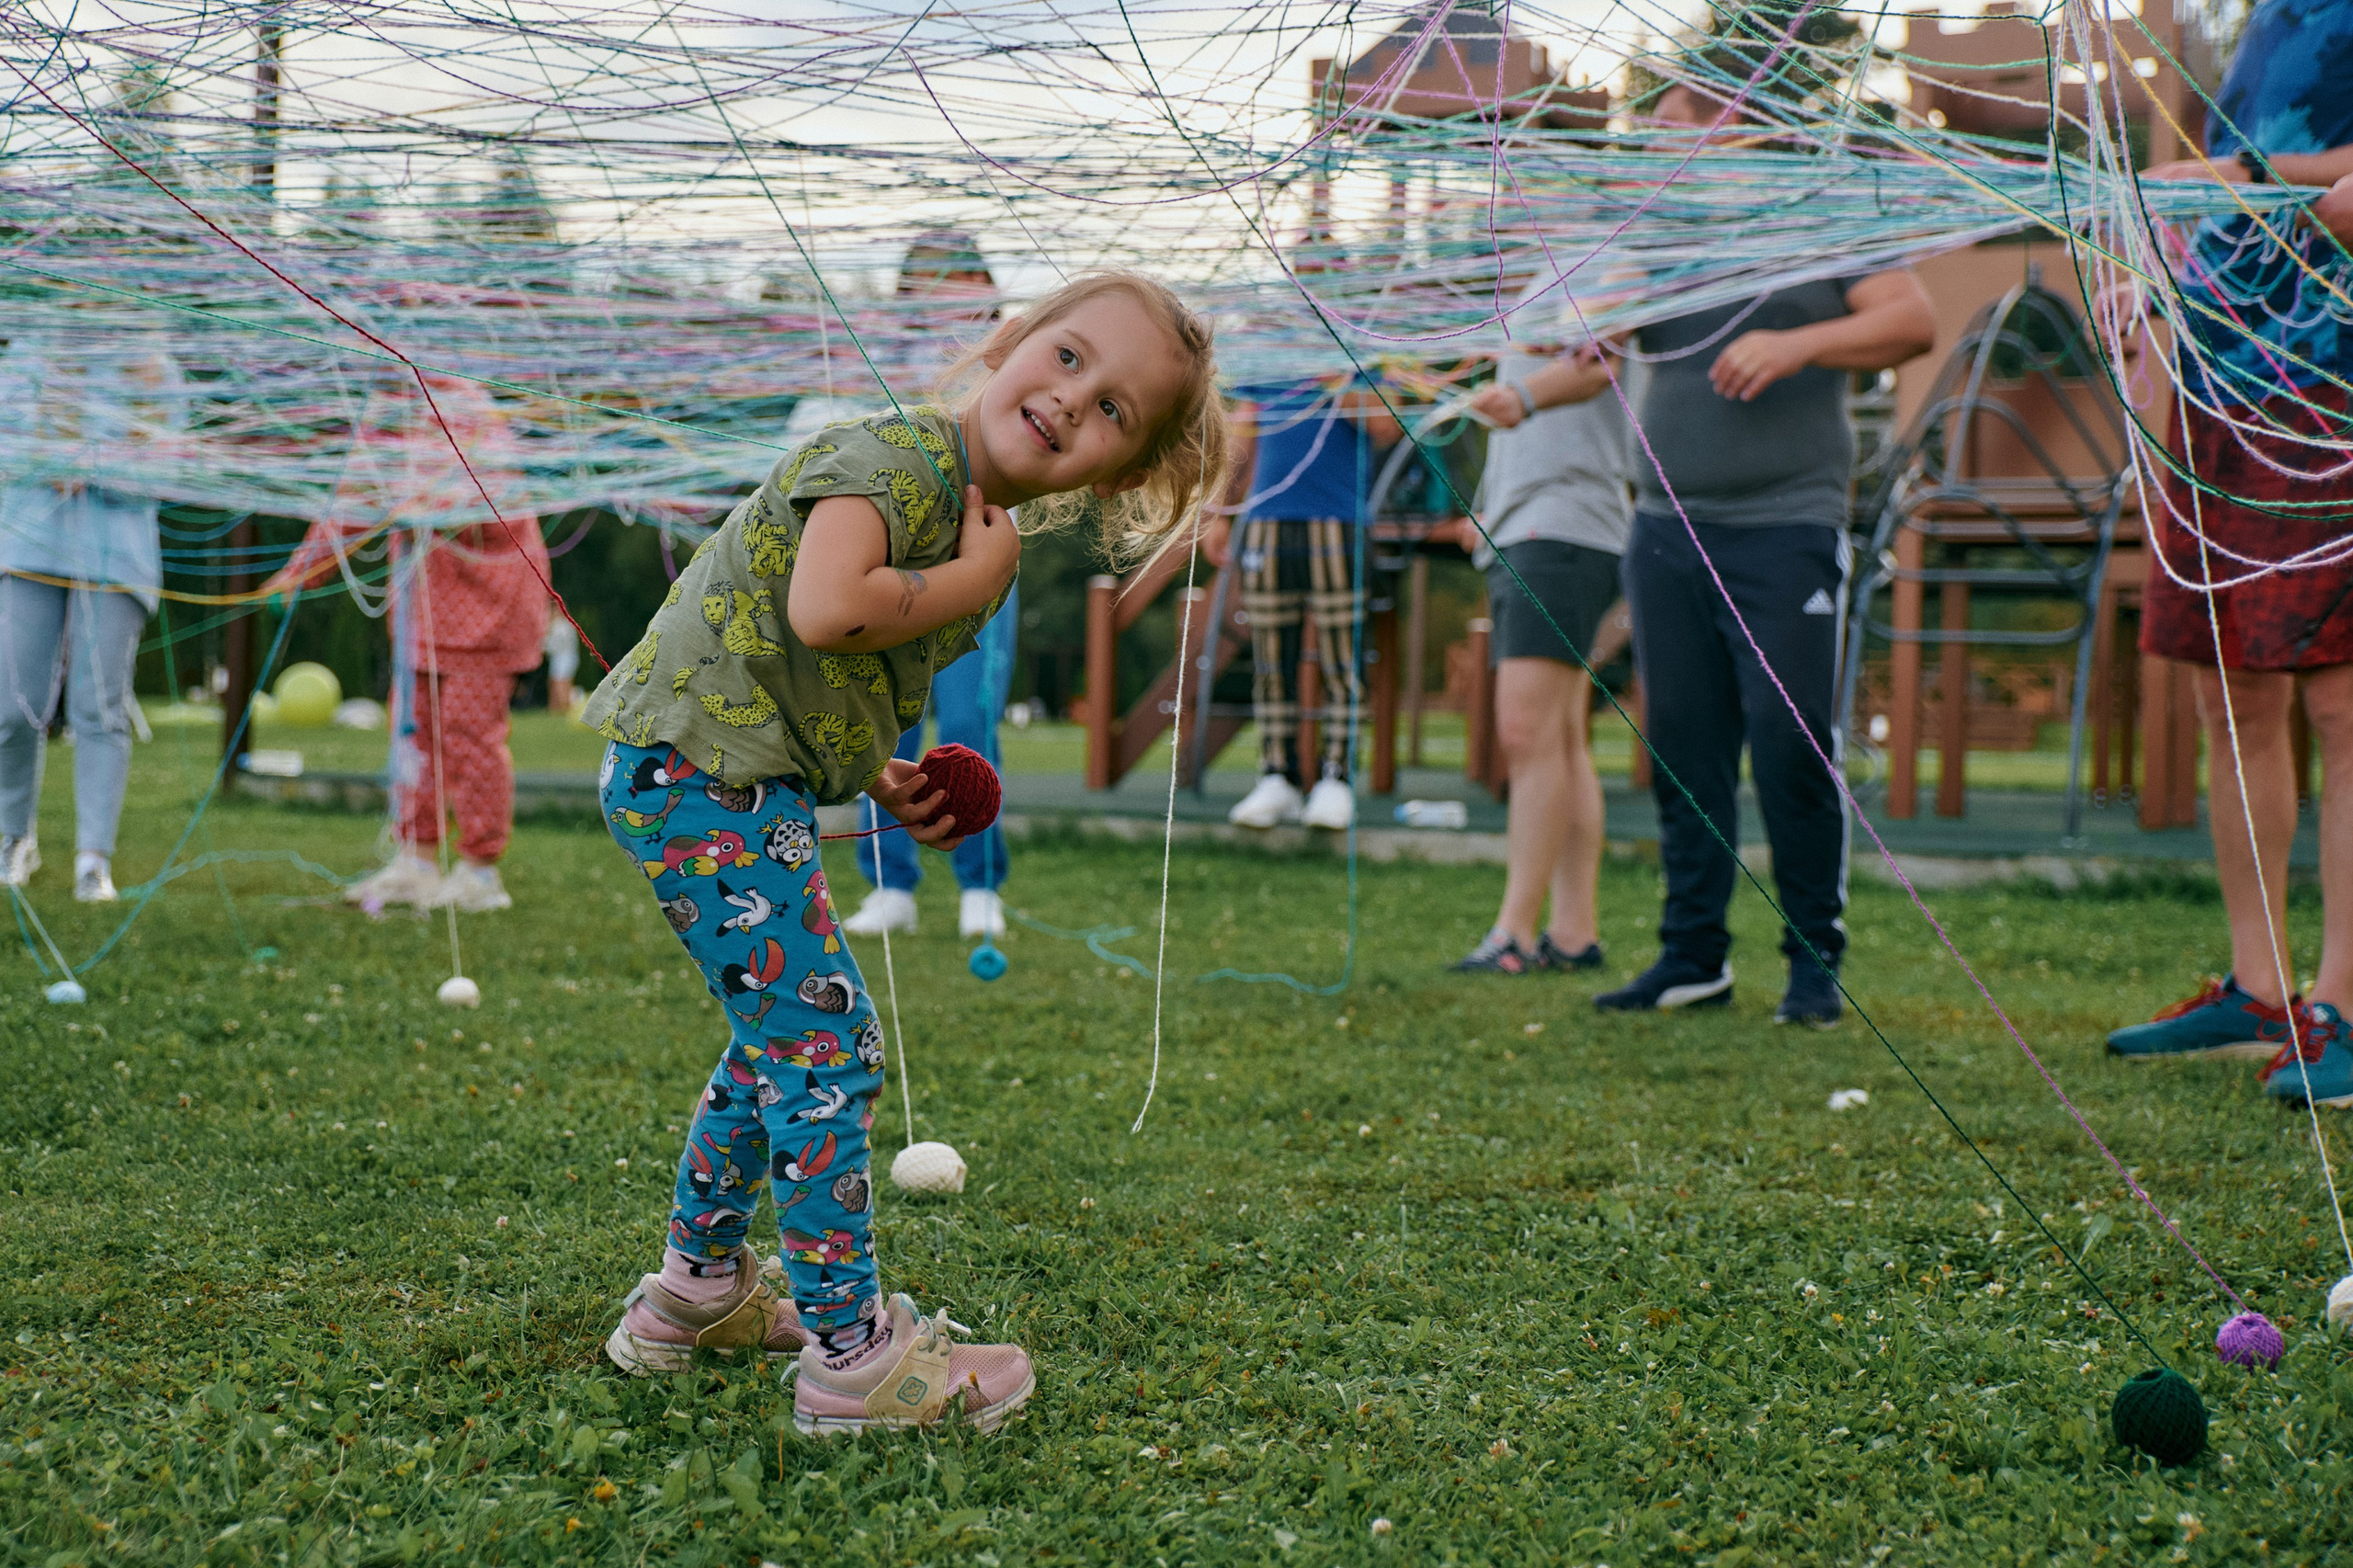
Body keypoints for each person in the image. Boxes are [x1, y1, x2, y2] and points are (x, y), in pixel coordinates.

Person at [585, 271, 1225, 1435]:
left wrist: (880, 772)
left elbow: (818, 660)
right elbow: (832, 605)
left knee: (779, 1033)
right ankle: (851, 1360)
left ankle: (695, 1294)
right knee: (824, 1041)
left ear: (1118, 474)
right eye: (1069, 357)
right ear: (1013, 339)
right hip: (697, 775)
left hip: (731, 771)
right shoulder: (897, 463)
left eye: (1117, 410)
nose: (1075, 401)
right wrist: (971, 581)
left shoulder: (966, 517)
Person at [1581, 81, 1935, 1024]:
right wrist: (1592, 330)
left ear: (1726, 130)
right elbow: (1603, 320)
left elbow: (1911, 320)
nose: (1651, 154)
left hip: (1786, 524)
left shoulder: (1815, 215)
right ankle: (1691, 956)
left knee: (1788, 745)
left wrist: (1796, 342)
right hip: (1664, 522)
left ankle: (1813, 958)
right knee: (1683, 749)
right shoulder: (1661, 236)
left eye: (1665, 136)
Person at [2104, 0, 2353, 1109]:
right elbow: (2213, 183)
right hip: (2226, 377)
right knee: (2229, 695)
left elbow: (2261, 175)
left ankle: (2342, 1005)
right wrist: (2154, 280)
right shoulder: (2255, 21)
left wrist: (2251, 175)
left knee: (2344, 705)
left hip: (2333, 378)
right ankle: (2259, 989)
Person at [265, 375, 552, 914]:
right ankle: (415, 860)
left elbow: (497, 508)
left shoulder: (468, 411)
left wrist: (423, 495)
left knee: (469, 737)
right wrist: (300, 575)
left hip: (490, 606)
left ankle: (480, 871)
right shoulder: (385, 415)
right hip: (422, 614)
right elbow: (352, 503)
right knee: (412, 736)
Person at [845, 232, 1020, 941]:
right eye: (927, 278)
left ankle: (980, 884)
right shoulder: (882, 356)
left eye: (959, 277)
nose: (943, 291)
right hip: (892, 566)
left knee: (972, 721)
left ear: (986, 285)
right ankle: (891, 885)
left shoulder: (1006, 367)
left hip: (979, 562)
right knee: (887, 727)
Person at [1448, 342, 1635, 973]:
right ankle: (1574, 935)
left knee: (1526, 733)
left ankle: (1514, 936)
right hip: (1529, 522)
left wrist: (1521, 398)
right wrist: (1491, 503)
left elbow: (1590, 371)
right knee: (1559, 736)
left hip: (1562, 526)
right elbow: (1531, 437)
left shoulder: (1599, 264)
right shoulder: (1531, 284)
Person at [0, 335, 185, 902]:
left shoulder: (154, 369)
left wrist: (97, 468)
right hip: (28, 551)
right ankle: (13, 839)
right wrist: (45, 460)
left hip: (116, 560)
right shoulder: (28, 356)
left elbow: (170, 473)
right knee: (11, 704)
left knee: (97, 706)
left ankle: (93, 859)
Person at [1203, 375, 1401, 831]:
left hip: (1339, 520)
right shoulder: (1279, 361)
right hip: (1266, 520)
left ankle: (1337, 778)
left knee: (1342, 661)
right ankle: (1277, 776)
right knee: (1270, 661)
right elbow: (1241, 437)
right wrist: (1218, 512)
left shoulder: (1359, 358)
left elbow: (1388, 426)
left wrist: (1335, 377)